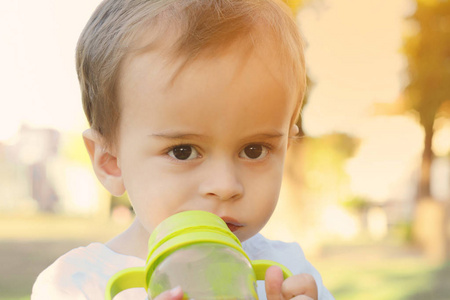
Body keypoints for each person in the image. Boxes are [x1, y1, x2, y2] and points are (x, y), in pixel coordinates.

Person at [32, 0, 334, 299]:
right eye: (183, 151)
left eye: (254, 150)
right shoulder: (76, 284)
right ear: (111, 161)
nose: (225, 186)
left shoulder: (288, 274)